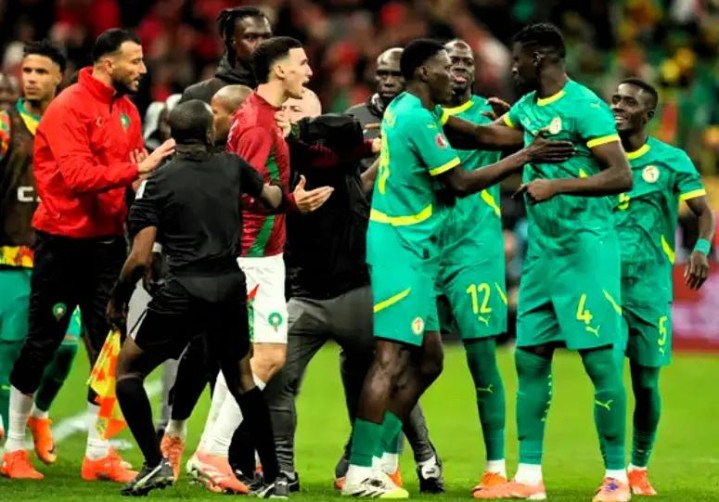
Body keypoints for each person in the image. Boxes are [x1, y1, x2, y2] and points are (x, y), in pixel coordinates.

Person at [342, 38, 575, 498]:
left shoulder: (418, 109)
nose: (454, 74)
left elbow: (480, 135)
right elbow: (460, 181)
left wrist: (527, 128)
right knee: (390, 358)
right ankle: (361, 470)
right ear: (424, 72)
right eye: (445, 67)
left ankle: (377, 462)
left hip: (417, 248)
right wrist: (526, 156)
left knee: (429, 359)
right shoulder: (415, 118)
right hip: (402, 249)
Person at [1, 28, 174, 483]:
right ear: (107, 64)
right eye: (134, 61)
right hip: (61, 243)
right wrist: (135, 169)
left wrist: (146, 185)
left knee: (109, 345)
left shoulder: (127, 110)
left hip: (107, 246)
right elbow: (78, 176)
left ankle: (98, 452)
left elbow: (132, 177)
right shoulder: (68, 108)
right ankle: (14, 446)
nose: (142, 69)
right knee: (41, 344)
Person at [475, 24, 634, 502]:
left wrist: (556, 186)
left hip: (586, 250)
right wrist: (434, 112)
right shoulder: (527, 107)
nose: (513, 68)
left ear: (541, 58)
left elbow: (621, 175)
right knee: (529, 359)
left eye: (518, 59)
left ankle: (617, 478)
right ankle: (529, 478)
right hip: (543, 254)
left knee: (600, 362)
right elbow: (490, 136)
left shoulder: (585, 107)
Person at [107, 99, 284, 497]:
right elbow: (271, 200)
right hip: (229, 288)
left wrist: (119, 299)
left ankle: (154, 464)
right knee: (243, 380)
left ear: (172, 135)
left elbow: (139, 257)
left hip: (184, 289)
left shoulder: (158, 181)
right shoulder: (233, 165)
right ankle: (275, 478)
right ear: (208, 133)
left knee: (129, 371)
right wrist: (279, 184)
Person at [184, 37, 333, 494]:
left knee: (248, 359)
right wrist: (292, 203)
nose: (309, 71)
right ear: (279, 70)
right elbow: (243, 193)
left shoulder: (261, 116)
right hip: (252, 256)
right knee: (266, 358)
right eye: (302, 63)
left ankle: (209, 452)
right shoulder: (256, 126)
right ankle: (211, 451)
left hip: (264, 254)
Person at [610, 78, 715, 496]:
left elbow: (703, 212)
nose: (618, 107)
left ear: (648, 114)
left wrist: (701, 249)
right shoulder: (596, 156)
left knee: (646, 384)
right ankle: (613, 472)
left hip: (649, 289)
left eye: (628, 102)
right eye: (615, 100)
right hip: (603, 286)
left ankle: (638, 467)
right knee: (608, 379)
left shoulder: (671, 160)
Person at [157, 84, 253, 484]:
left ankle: (234, 454)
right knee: (206, 353)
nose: (211, 118)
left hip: (261, 260)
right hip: (213, 267)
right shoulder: (204, 157)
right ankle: (180, 433)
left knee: (254, 360)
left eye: (217, 111)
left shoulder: (256, 142)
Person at [0, 40, 84, 471]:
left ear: (59, 77)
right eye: (26, 71)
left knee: (67, 347)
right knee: (14, 348)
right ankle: (10, 447)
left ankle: (40, 413)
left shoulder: (73, 124)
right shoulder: (5, 125)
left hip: (64, 254)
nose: (30, 79)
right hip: (13, 256)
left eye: (40, 72)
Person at [433, 39, 511, 496]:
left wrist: (518, 122)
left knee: (482, 359)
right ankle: (386, 464)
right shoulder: (417, 113)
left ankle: (495, 468)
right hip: (423, 249)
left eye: (467, 61)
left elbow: (536, 144)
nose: (460, 66)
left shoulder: (494, 116)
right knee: (402, 360)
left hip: (475, 253)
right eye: (451, 61)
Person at [180, 6, 272, 103]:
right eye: (250, 38)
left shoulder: (280, 94)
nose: (262, 45)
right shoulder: (199, 95)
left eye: (266, 37)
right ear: (232, 42)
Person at [346, 47, 404, 172]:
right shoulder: (353, 117)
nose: (388, 82)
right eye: (382, 74)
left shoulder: (425, 118)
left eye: (397, 75)